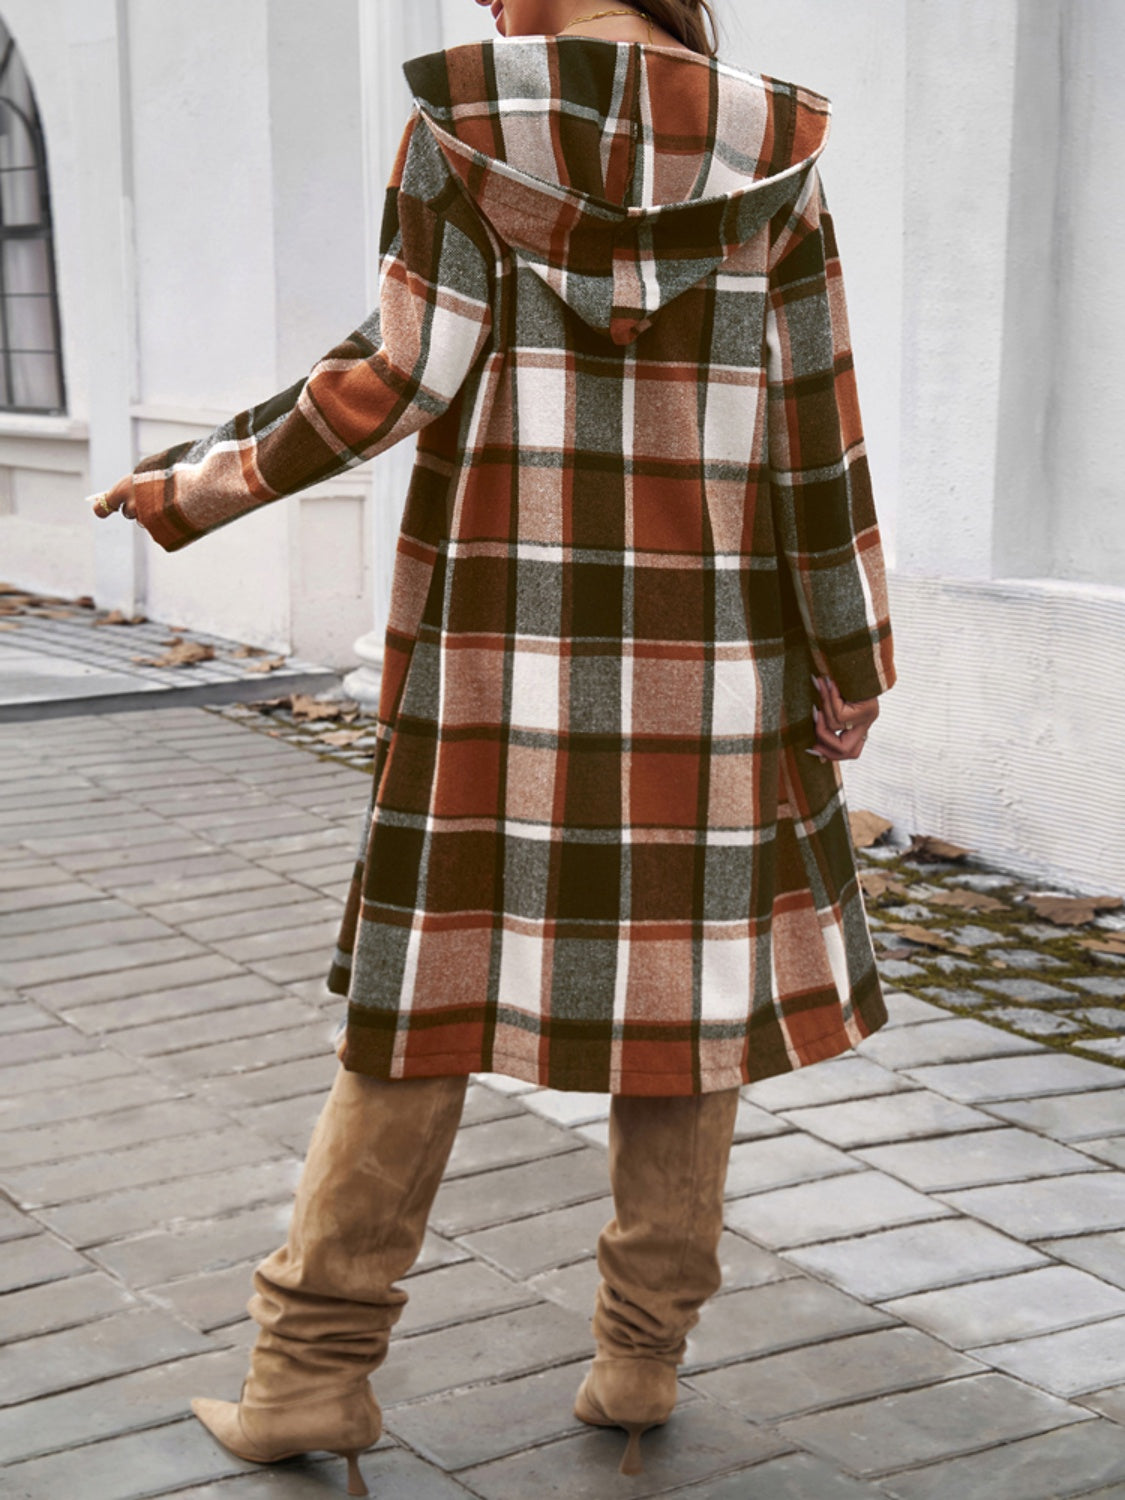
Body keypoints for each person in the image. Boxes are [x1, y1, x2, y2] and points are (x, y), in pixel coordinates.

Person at [88, 0, 896, 1490]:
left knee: (424, 998)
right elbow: (814, 429)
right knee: (687, 1006)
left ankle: (308, 1377)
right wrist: (852, 656)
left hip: (498, 663)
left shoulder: (465, 128)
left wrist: (200, 484)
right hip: (714, 668)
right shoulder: (772, 152)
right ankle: (639, 1361)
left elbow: (395, 376)